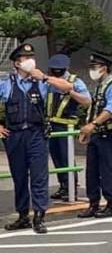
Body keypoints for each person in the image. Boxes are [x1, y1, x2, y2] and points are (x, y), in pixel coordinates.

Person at [0, 44, 74, 234]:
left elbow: (67, 87)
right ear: (17, 63)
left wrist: (45, 77)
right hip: (15, 135)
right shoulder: (6, 84)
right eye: (25, 58)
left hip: (37, 134)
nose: (30, 60)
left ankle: (39, 216)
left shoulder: (41, 82)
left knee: (39, 176)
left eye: (31, 56)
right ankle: (23, 215)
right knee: (19, 176)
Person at [45, 54, 90, 201]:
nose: (56, 72)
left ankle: (71, 187)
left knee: (66, 157)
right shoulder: (49, 81)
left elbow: (87, 101)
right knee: (57, 157)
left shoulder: (75, 82)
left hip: (66, 126)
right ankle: (63, 186)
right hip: (50, 124)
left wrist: (71, 92)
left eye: (59, 70)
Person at [77, 52, 112, 219]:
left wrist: (93, 125)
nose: (92, 71)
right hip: (96, 134)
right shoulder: (99, 86)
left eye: (94, 67)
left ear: (104, 68)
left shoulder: (111, 85)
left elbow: (109, 110)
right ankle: (93, 203)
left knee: (107, 170)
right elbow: (94, 108)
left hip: (108, 134)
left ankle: (110, 203)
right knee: (92, 170)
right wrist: (87, 128)